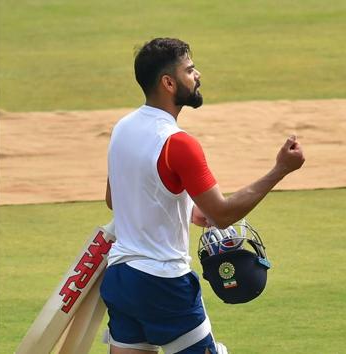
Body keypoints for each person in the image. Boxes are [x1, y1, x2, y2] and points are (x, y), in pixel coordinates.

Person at [100, 37, 305, 354]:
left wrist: (185, 208)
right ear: (169, 82)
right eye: (190, 70)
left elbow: (117, 199)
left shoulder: (123, 128)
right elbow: (222, 214)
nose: (198, 76)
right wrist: (281, 169)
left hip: (121, 278)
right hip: (163, 282)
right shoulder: (179, 144)